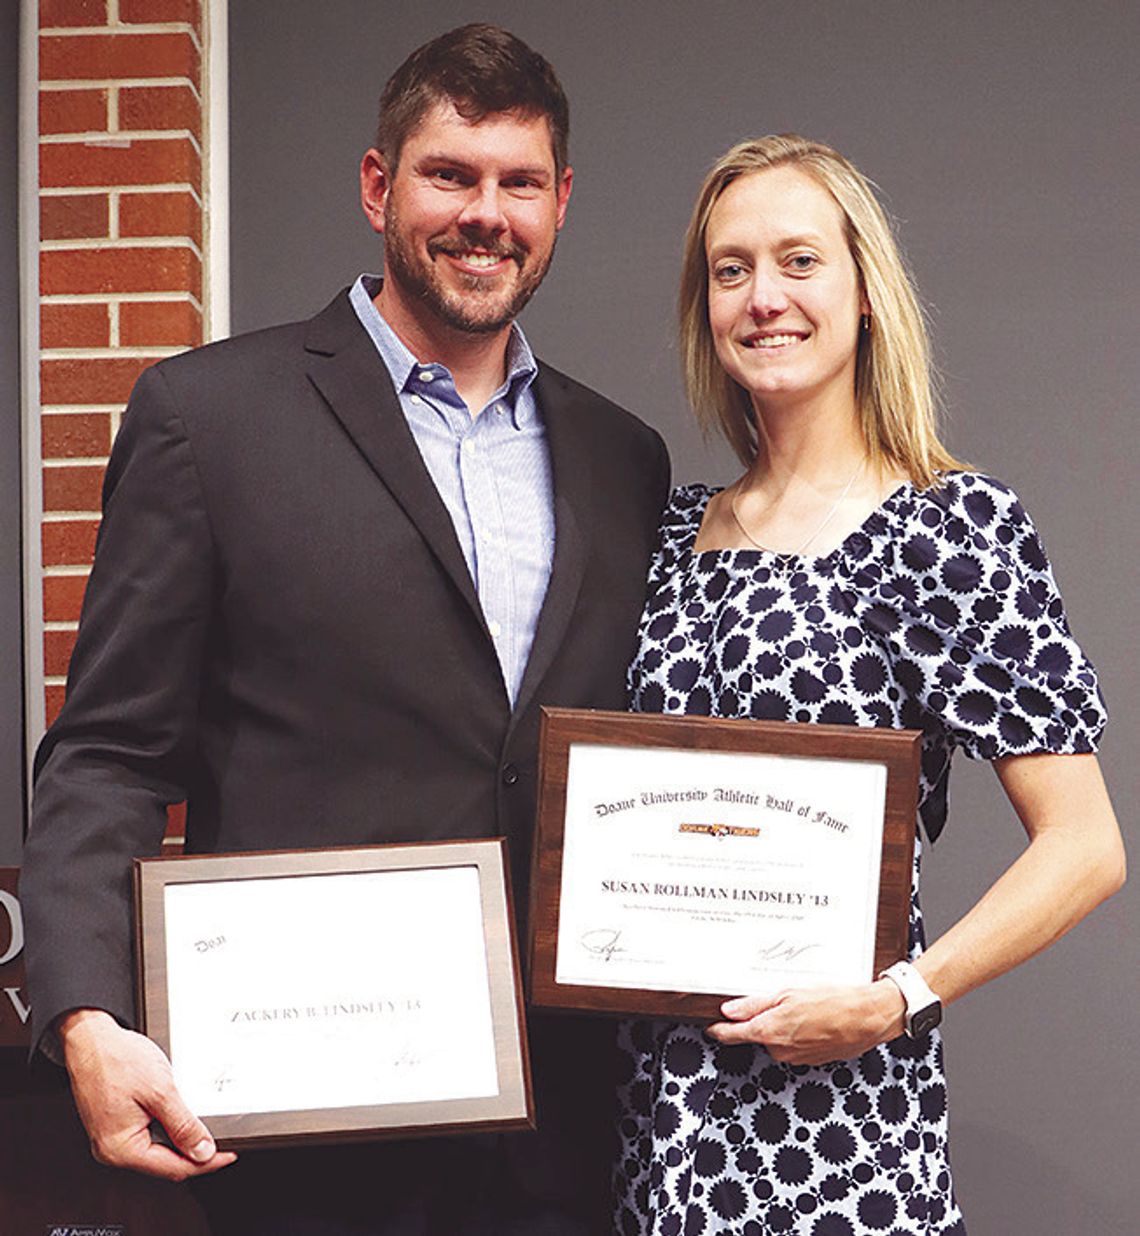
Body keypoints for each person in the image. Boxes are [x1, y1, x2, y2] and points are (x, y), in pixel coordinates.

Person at [21, 24, 669, 1235]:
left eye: (519, 182)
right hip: (307, 1135)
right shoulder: (208, 418)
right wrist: (83, 1016)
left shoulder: (623, 458)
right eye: (450, 175)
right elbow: (107, 754)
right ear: (379, 186)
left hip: (568, 1132)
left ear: (561, 202)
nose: (487, 213)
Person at [613, 134, 1124, 1235]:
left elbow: (1087, 847)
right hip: (653, 1132)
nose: (764, 298)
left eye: (800, 261)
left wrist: (898, 999)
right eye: (731, 268)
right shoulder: (664, 534)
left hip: (838, 1138)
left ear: (865, 293)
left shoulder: (950, 528)